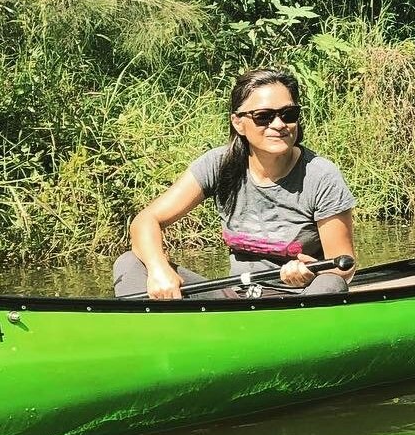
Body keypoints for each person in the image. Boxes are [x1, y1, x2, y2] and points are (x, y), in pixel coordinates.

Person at [113, 67, 357, 299]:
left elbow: (343, 267)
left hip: (301, 298)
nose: (279, 124)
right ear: (238, 122)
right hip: (237, 297)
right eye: (263, 117)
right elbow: (146, 220)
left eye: (288, 114)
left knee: (330, 283)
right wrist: (159, 269)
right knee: (131, 262)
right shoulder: (218, 164)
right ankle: (155, 331)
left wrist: (310, 273)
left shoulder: (321, 176)